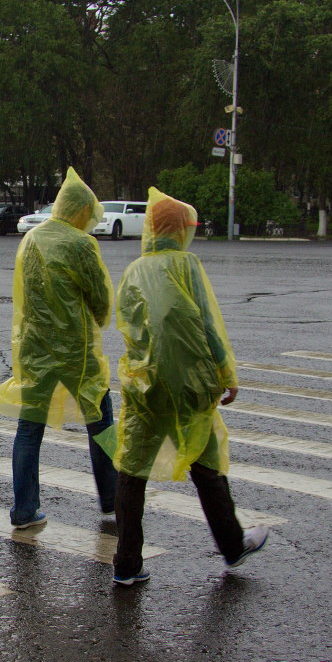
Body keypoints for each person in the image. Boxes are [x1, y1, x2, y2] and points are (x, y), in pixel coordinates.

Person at [107, 189, 268, 586]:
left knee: (133, 468)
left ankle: (126, 563)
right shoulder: (187, 265)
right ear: (179, 231)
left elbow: (128, 324)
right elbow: (207, 323)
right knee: (206, 461)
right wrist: (226, 373)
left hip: (144, 382)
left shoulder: (134, 269)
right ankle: (232, 545)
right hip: (190, 381)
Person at [0, 167, 117, 528]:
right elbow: (101, 300)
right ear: (80, 211)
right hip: (78, 352)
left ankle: (24, 510)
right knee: (101, 422)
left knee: (29, 429)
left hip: (34, 351)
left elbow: (24, 295)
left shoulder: (30, 239)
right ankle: (112, 500)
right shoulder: (80, 243)